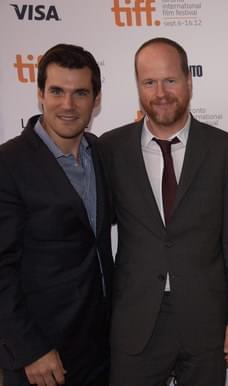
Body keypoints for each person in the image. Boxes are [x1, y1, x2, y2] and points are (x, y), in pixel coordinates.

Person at [98, 37, 228, 386]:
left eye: (170, 80)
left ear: (189, 81)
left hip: (205, 320)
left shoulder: (224, 149)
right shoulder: (110, 148)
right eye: (149, 82)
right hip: (135, 321)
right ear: (137, 87)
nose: (161, 92)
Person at [0, 44, 113, 386]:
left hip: (100, 349)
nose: (68, 105)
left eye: (80, 93)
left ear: (96, 100)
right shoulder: (9, 163)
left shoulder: (103, 154)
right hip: (41, 358)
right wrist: (29, 348)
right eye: (57, 92)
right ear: (40, 95)